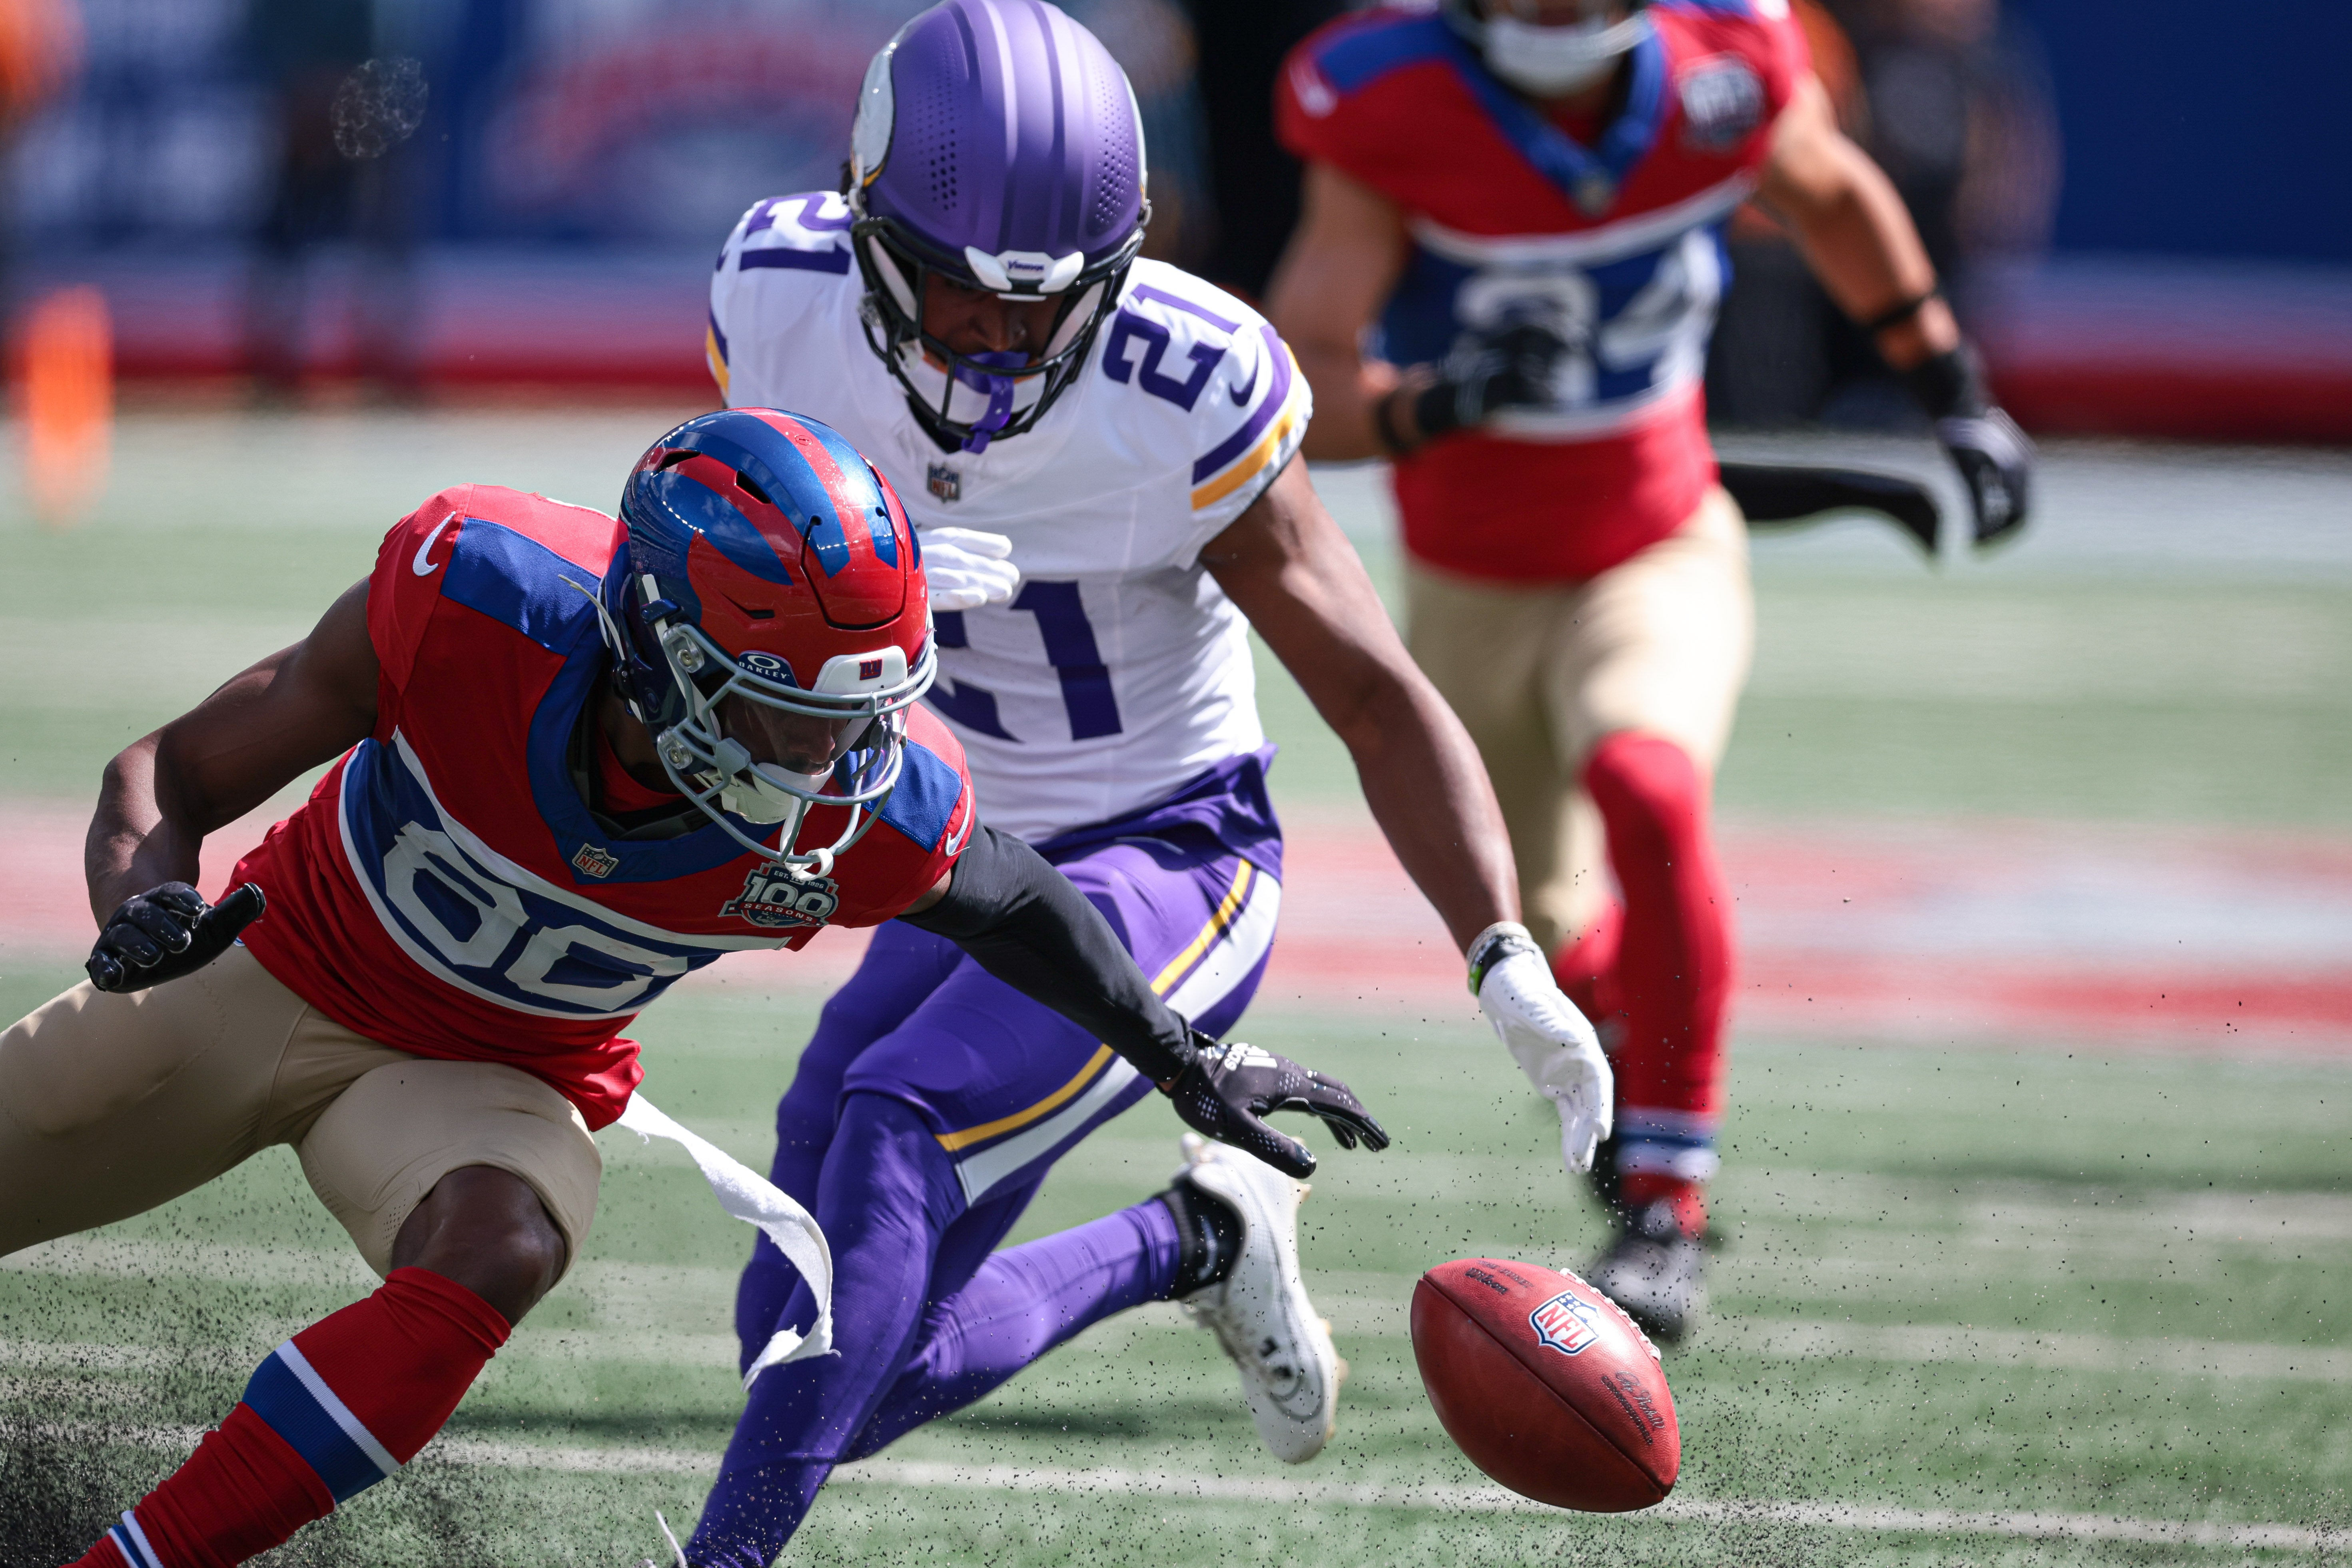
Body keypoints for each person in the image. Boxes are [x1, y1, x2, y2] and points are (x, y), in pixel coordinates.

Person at [2, 406, 1384, 1568]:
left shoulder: (873, 805)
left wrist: (1187, 1057)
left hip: (499, 1078)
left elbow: (1012, 895)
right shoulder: (474, 595)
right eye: (791, 707)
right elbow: (172, 774)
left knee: (503, 1242)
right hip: (272, 969)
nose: (834, 759)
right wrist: (141, 909)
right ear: (658, 649)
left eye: (862, 710)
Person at [688, 1, 1615, 1560]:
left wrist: (1500, 952)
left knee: (900, 1130)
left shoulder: (1184, 385)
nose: (997, 341)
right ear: (865, 227)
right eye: (960, 296)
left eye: (1040, 309)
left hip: (1167, 854)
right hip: (957, 858)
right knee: (806, 1341)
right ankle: (1191, 1238)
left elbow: (1378, 700)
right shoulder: (775, 299)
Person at [1265, 0, 2035, 1339]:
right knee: (1548, 936)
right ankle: (1637, 1080)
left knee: (1647, 778)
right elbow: (1299, 379)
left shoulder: (1719, 67)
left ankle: (1666, 1202)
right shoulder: (1393, 96)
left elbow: (1833, 195)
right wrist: (1431, 402)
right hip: (1469, 583)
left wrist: (1949, 382)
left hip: (1655, 540)